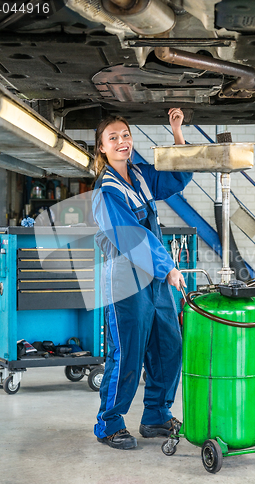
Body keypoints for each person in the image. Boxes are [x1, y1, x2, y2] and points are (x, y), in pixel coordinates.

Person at [92, 108, 192, 450]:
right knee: (128, 352)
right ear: (102, 148)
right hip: (124, 278)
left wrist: (177, 132)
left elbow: (175, 177)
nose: (122, 141)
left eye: (125, 135)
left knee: (169, 345)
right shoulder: (107, 190)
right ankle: (109, 423)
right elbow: (131, 236)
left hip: (155, 278)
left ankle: (155, 416)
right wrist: (168, 267)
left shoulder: (139, 174)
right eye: (113, 137)